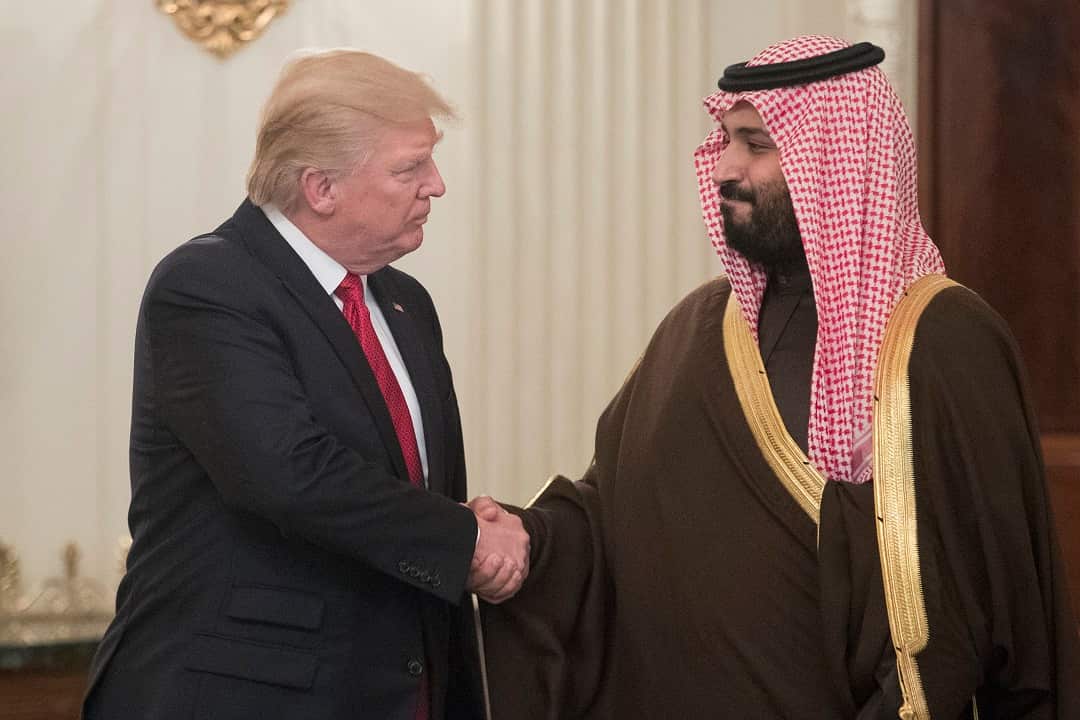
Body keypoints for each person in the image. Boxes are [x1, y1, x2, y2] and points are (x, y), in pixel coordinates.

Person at [476, 36, 1080, 718]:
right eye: (726, 140)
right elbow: (611, 512)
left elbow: (961, 602)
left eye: (756, 144)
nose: (725, 168)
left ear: (838, 161)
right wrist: (528, 541)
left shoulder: (943, 339)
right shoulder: (699, 327)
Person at [81, 50, 528, 720]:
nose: (435, 185)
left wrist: (476, 529)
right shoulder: (208, 287)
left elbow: (409, 495)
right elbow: (290, 473)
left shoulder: (405, 302)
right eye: (410, 167)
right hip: (241, 695)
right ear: (321, 188)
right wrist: (464, 542)